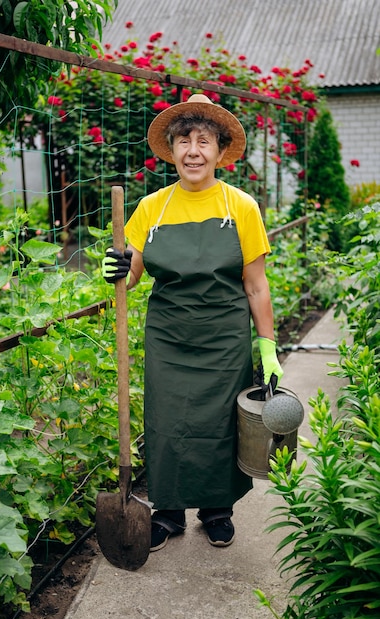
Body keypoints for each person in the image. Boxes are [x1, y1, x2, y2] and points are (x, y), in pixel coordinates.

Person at [102, 94, 283, 552]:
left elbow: (256, 285)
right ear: (172, 149)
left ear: (221, 152)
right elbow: (135, 270)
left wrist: (266, 346)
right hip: (168, 335)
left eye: (204, 141)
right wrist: (120, 266)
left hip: (223, 336)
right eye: (184, 140)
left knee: (222, 423)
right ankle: (167, 512)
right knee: (167, 422)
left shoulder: (241, 206)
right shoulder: (152, 208)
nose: (194, 150)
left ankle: (217, 510)